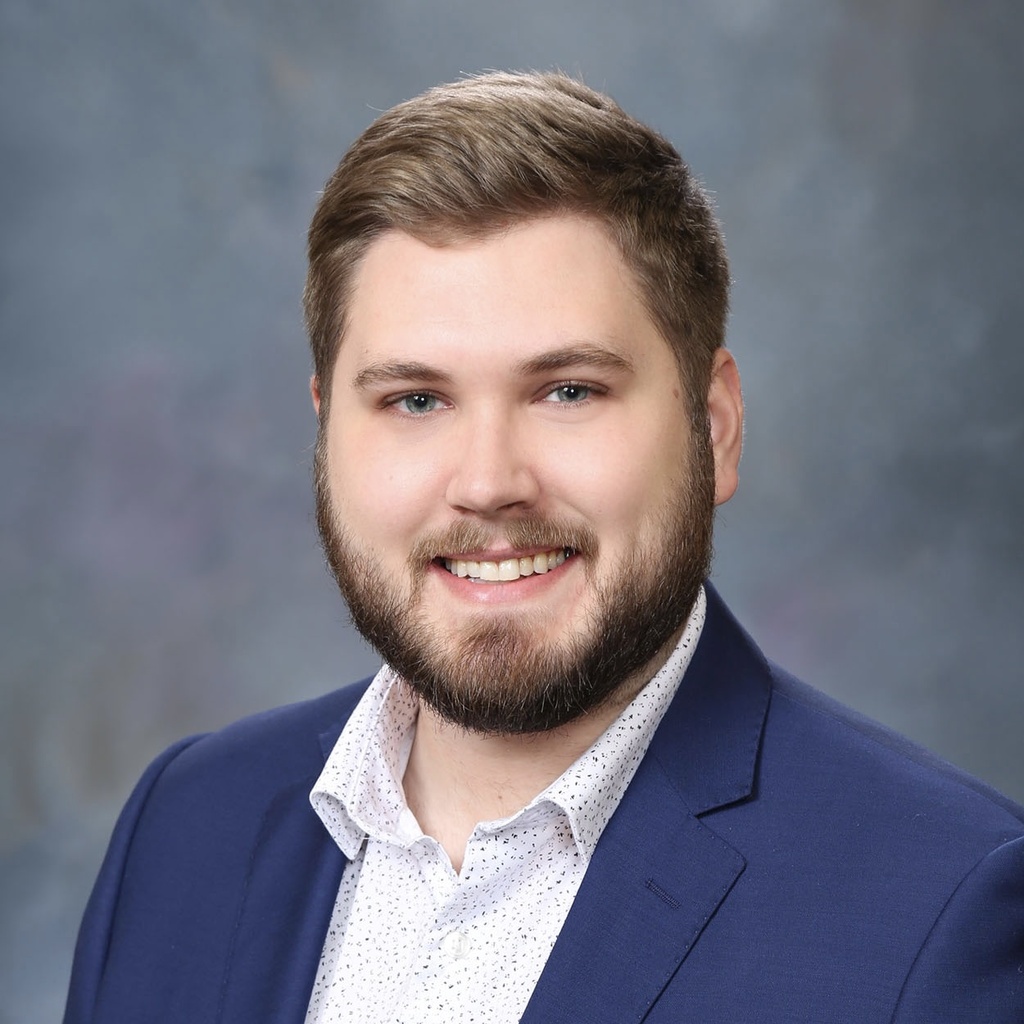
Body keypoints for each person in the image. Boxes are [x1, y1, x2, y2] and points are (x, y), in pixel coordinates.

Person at [64, 71, 1024, 1024]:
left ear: (716, 427)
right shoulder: (185, 825)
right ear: (325, 435)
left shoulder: (942, 907)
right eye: (415, 400)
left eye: (569, 391)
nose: (489, 482)